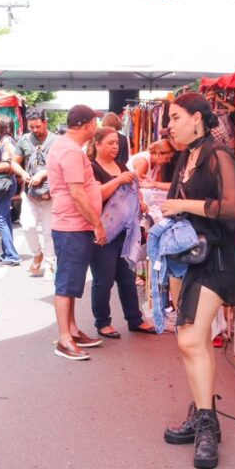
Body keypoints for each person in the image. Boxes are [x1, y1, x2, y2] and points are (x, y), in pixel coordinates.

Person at [159, 92, 235, 469]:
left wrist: (183, 205)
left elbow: (233, 210)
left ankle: (207, 424)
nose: (170, 124)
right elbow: (177, 204)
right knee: (194, 341)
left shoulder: (217, 154)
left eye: (176, 117)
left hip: (218, 257)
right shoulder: (186, 156)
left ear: (198, 118)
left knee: (191, 338)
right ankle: (202, 414)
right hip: (190, 258)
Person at [46, 105, 106, 360]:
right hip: (73, 225)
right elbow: (77, 194)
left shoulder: (65, 146)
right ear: (88, 124)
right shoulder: (70, 151)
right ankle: (64, 339)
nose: (97, 127)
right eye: (96, 123)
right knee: (66, 282)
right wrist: (97, 223)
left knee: (70, 282)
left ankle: (71, 330)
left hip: (70, 224)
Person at [88, 127, 154, 338]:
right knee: (103, 279)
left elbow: (132, 192)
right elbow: (95, 195)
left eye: (116, 142)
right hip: (103, 231)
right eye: (110, 142)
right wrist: (117, 180)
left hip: (125, 232)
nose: (115, 146)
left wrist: (141, 203)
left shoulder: (120, 165)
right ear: (97, 144)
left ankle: (134, 319)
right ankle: (102, 322)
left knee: (127, 277)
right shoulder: (92, 167)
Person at [16, 109, 58, 277]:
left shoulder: (57, 141)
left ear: (45, 123)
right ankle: (37, 253)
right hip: (30, 193)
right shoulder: (24, 140)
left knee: (49, 232)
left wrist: (43, 173)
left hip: (51, 194)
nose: (34, 130)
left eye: (38, 126)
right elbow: (14, 162)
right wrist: (22, 172)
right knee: (27, 225)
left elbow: (61, 165)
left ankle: (49, 264)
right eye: (31, 126)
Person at [0, 116, 29, 266]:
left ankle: (12, 255)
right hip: (4, 183)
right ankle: (7, 253)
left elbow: (11, 163)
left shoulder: (7, 142)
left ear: (3, 126)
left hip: (4, 183)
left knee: (0, 219)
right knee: (5, 218)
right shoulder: (6, 140)